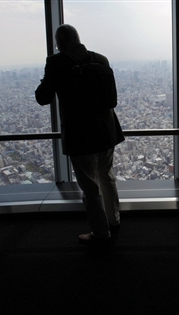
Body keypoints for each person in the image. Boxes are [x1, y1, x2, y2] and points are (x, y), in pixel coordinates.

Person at [35, 24, 124, 247]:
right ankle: (114, 220)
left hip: (81, 134)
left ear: (59, 43)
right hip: (107, 130)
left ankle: (100, 233)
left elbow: (42, 97)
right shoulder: (100, 59)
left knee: (90, 187)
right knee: (107, 175)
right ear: (78, 39)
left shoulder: (56, 62)